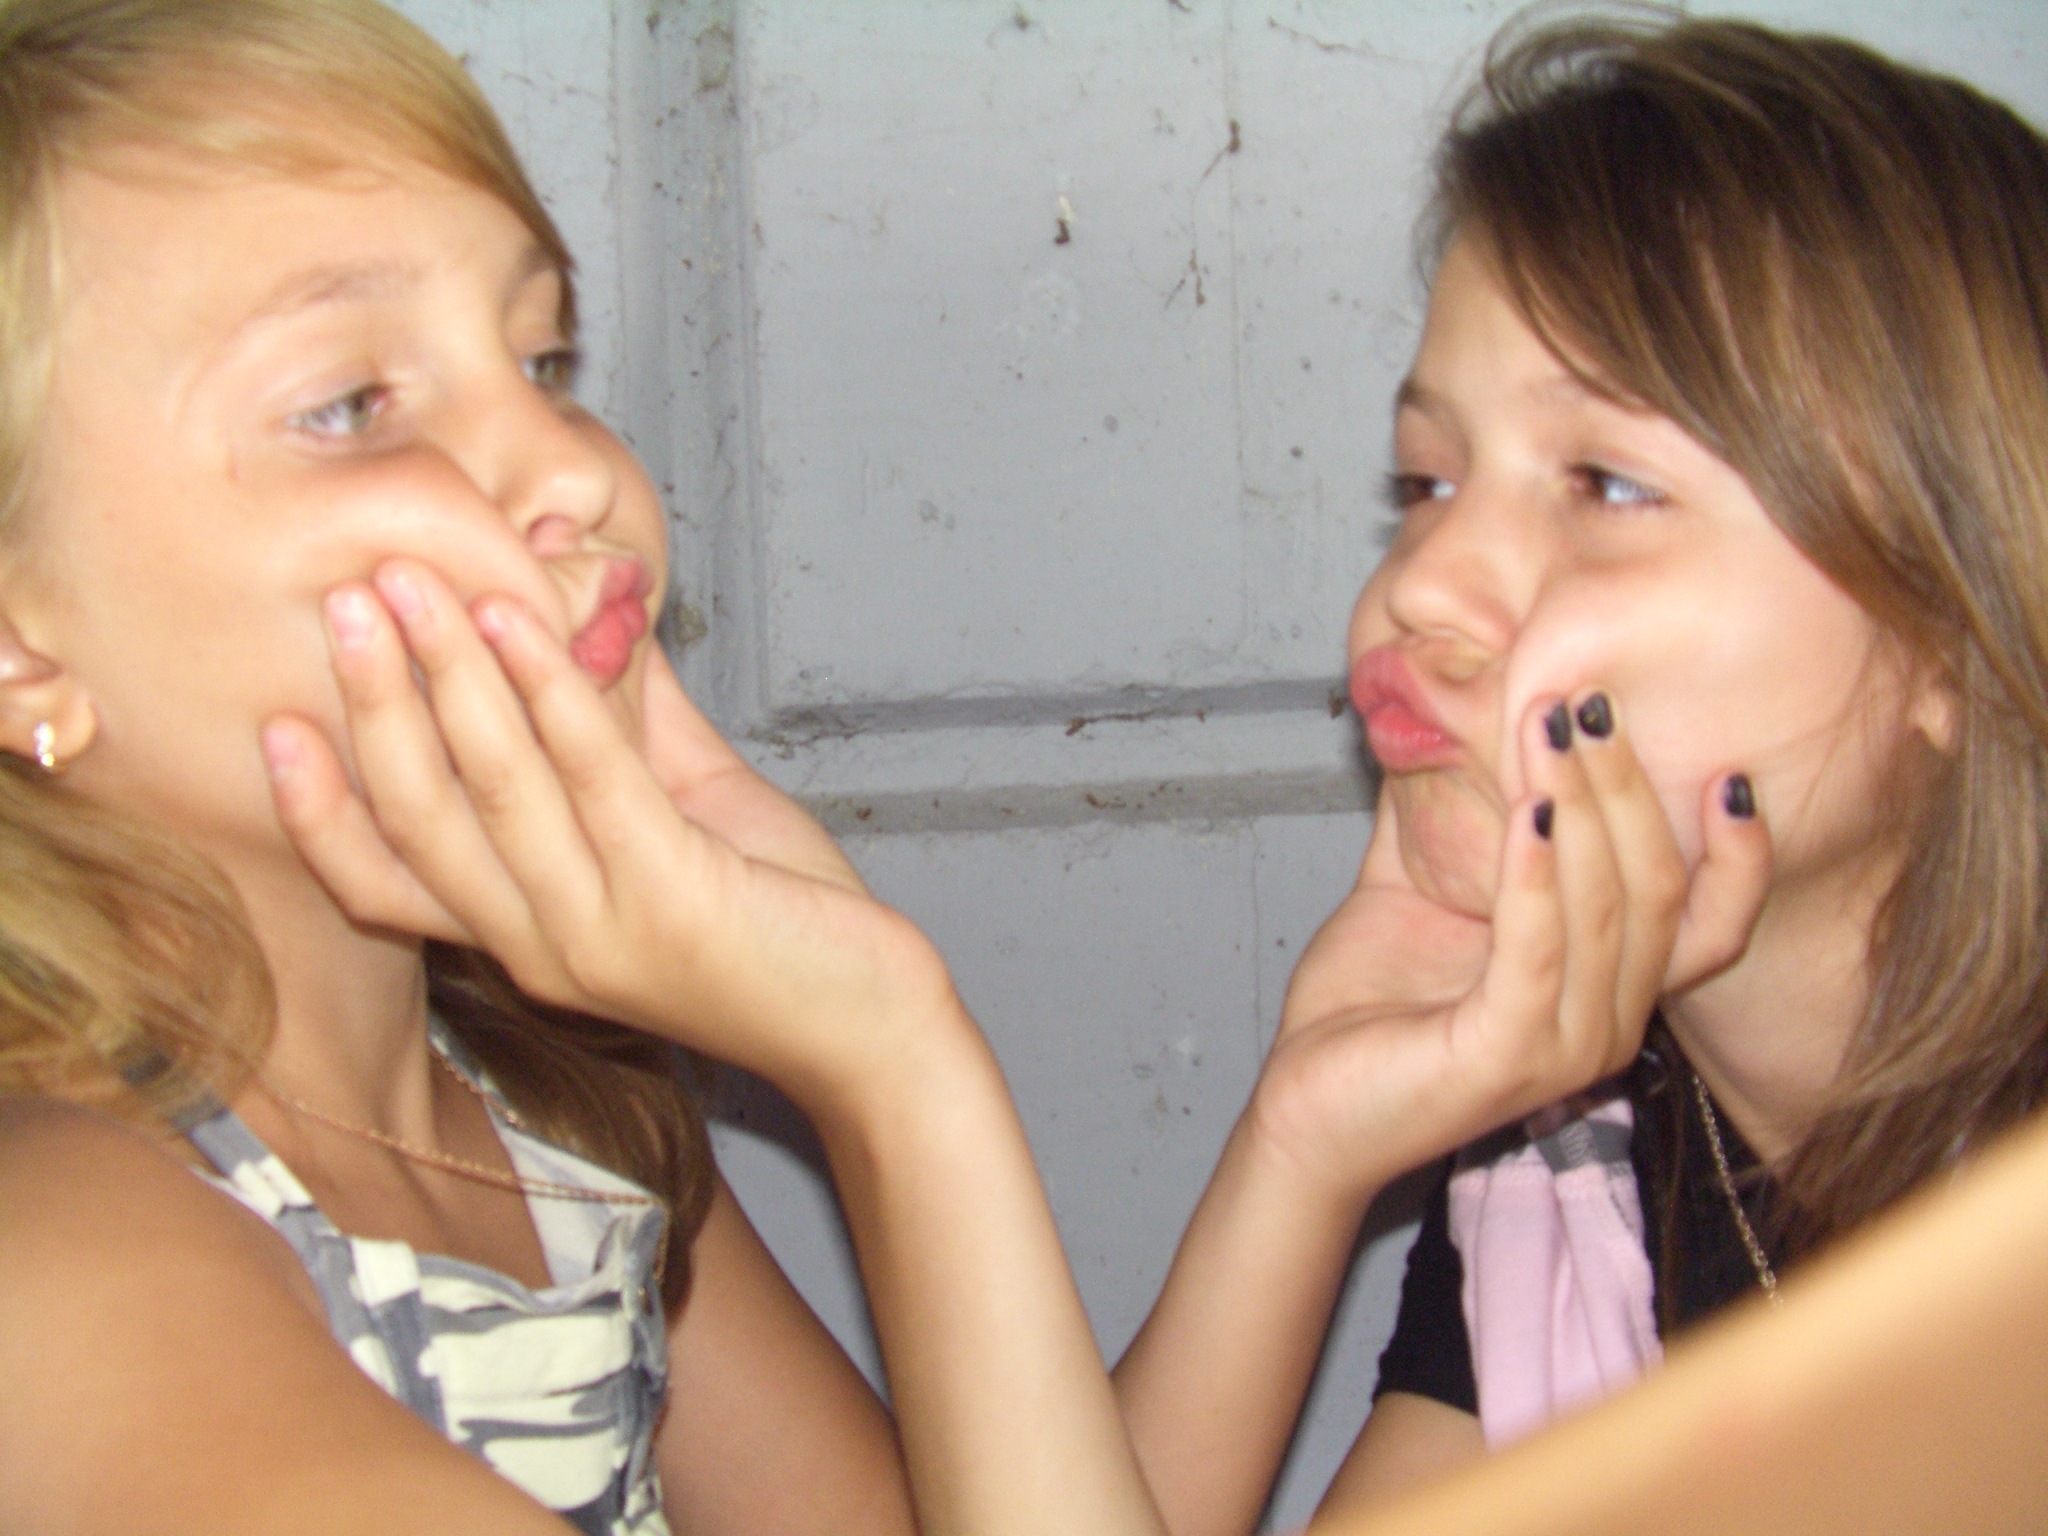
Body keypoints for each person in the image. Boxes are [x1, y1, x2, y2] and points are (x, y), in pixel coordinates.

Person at [0, 3, 1155, 1533]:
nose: (572, 468)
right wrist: (889, 1063)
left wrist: (893, 1049)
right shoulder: (60, 1252)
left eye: (543, 359)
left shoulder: (548, 1112)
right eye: (349, 405)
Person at [1106, 13, 2048, 1533]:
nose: (1421, 582)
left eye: (1607, 484)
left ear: (1955, 629)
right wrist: (1303, 1142)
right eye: (1426, 481)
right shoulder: (1583, 1152)